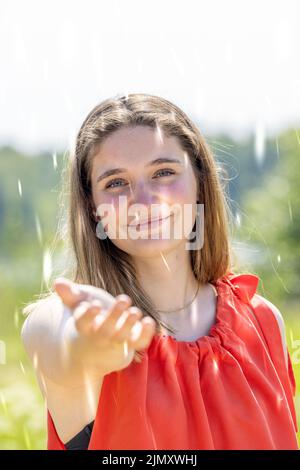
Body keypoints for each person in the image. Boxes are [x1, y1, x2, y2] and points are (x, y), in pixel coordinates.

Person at [21, 93, 298, 450]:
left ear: (200, 183)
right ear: (93, 208)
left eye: (164, 172)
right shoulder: (62, 319)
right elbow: (62, 347)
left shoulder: (263, 321)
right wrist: (92, 346)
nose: (144, 200)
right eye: (115, 183)